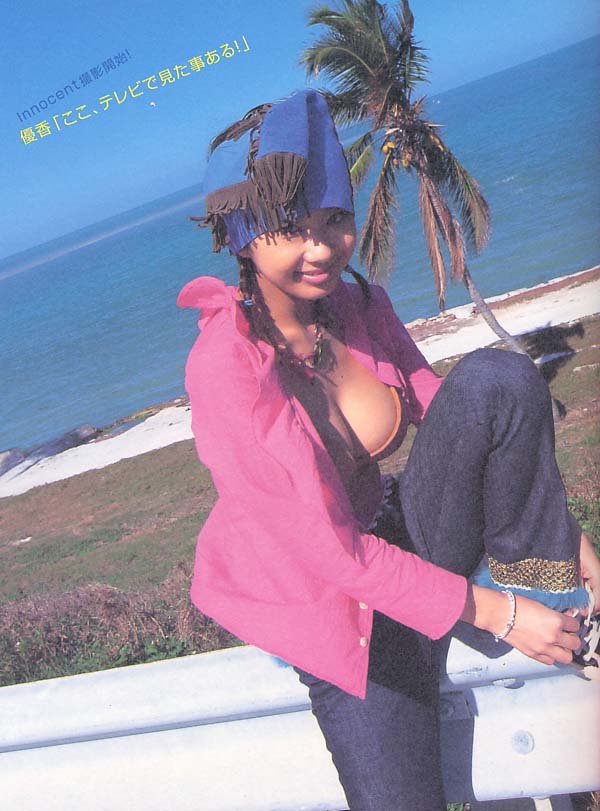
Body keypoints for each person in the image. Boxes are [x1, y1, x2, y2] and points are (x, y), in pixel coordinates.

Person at [178, 89, 600, 810]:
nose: (322, 249)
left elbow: (451, 411)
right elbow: (333, 555)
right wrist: (498, 615)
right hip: (331, 603)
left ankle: (559, 606)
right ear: (246, 233)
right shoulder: (226, 370)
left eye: (334, 220)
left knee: (500, 379)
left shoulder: (356, 306)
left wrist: (567, 540)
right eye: (292, 228)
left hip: (399, 538)